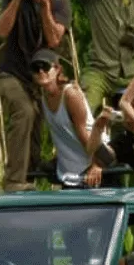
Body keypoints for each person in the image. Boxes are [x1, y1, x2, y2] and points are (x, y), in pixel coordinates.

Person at [0, 0, 73, 191]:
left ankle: (32, 171)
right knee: (25, 112)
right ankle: (14, 180)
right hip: (10, 72)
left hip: (40, 73)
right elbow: (2, 31)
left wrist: (44, 5)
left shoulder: (58, 3)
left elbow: (53, 39)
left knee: (43, 118)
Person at [30, 50, 102, 188]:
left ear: (57, 69)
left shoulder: (70, 95)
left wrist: (97, 164)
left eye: (45, 66)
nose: (40, 71)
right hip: (69, 171)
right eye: (35, 68)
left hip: (92, 162)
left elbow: (86, 137)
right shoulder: (42, 98)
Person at [88, 88, 134, 191]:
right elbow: (99, 155)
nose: (128, 111)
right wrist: (97, 127)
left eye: (133, 106)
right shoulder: (123, 141)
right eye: (122, 108)